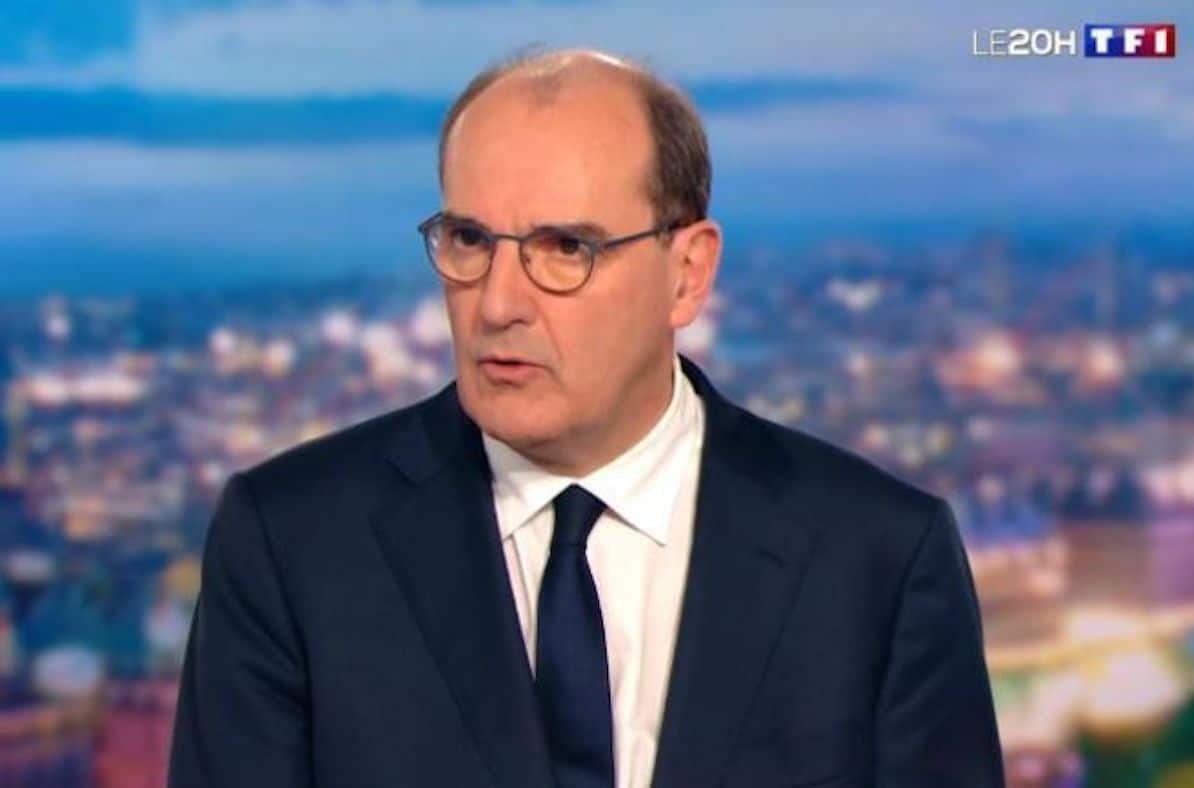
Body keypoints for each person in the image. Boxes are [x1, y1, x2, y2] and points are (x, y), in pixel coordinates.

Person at [168, 46, 1005, 788]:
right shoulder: (293, 542)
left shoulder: (880, 558)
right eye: (469, 240)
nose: (497, 303)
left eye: (566, 248)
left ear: (687, 273)